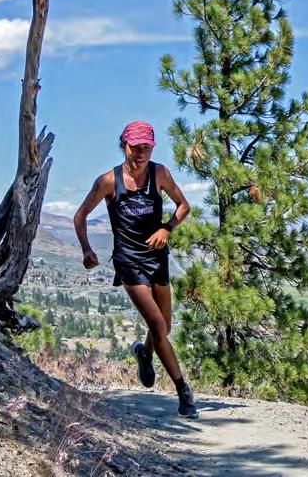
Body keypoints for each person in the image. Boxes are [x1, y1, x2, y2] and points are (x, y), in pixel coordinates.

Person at [73, 120, 198, 418]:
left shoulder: (159, 173)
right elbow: (80, 216)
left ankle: (144, 353)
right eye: (135, 148)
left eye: (146, 148)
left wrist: (167, 228)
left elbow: (183, 205)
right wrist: (87, 249)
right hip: (128, 261)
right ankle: (183, 392)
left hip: (157, 257)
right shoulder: (108, 181)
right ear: (123, 146)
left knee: (164, 327)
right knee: (158, 326)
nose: (141, 154)